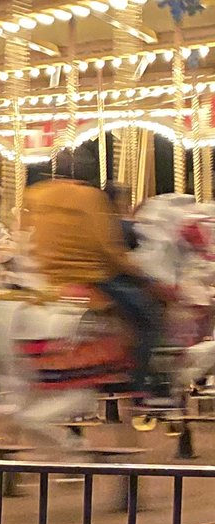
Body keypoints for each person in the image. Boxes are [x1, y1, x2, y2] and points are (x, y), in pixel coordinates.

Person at [22, 156, 165, 400]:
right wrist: (143, 276)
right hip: (90, 277)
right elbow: (108, 249)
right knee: (150, 315)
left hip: (47, 279)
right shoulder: (91, 197)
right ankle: (139, 381)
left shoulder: (36, 193)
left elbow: (28, 234)